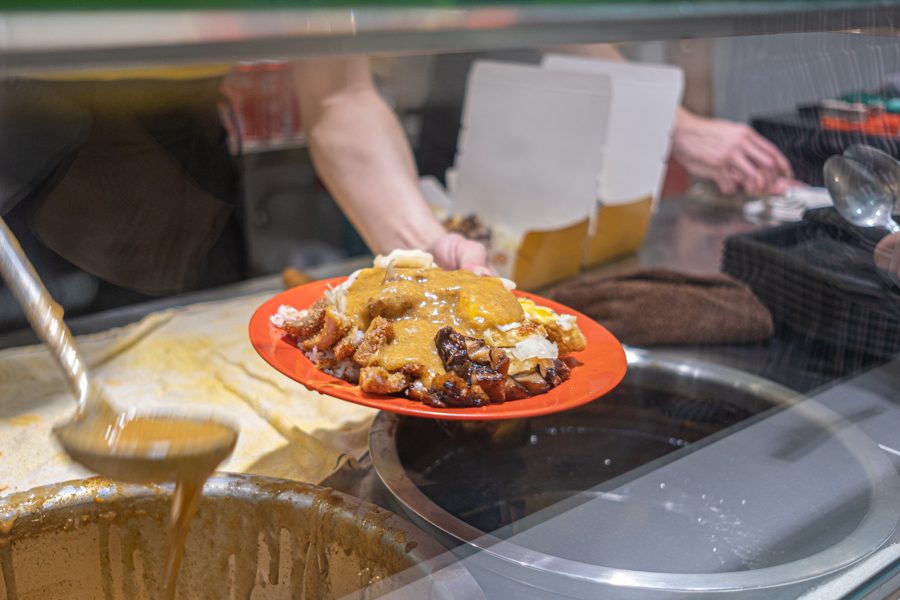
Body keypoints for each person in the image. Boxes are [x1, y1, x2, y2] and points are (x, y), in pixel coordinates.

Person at [0, 56, 487, 331]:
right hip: (21, 161)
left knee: (197, 362)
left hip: (182, 169)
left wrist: (422, 252)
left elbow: (341, 97)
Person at [416, 44, 798, 198]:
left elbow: (688, 38)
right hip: (481, 115)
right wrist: (678, 123)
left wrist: (685, 125)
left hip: (574, 133)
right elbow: (556, 20)